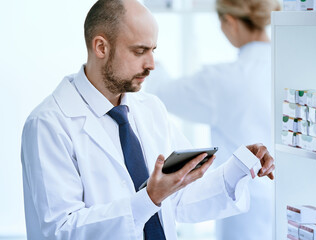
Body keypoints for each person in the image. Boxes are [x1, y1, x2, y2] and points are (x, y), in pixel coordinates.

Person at [20, 0, 275, 239]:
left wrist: (239, 168)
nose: (152, 64)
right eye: (140, 51)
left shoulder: (150, 108)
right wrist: (149, 198)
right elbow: (61, 230)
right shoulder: (48, 124)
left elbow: (181, 199)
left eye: (153, 50)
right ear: (101, 47)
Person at [144, 0, 281, 239]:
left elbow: (163, 92)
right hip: (287, 201)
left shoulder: (223, 80)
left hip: (244, 211)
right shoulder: (286, 66)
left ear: (229, 21)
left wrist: (146, 53)